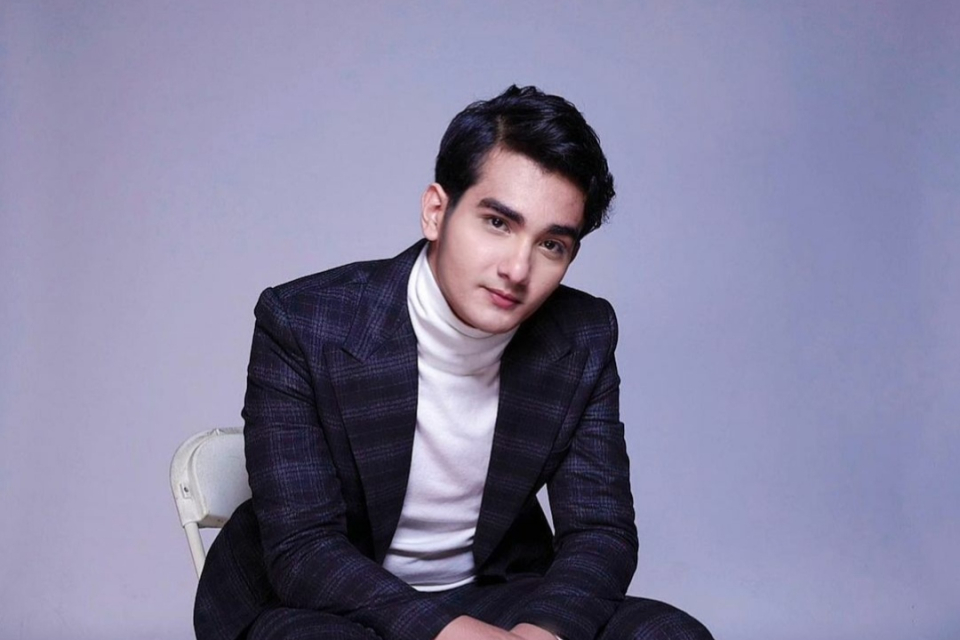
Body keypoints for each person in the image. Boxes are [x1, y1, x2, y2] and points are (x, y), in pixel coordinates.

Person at [195, 85, 713, 640]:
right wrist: (454, 634)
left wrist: (541, 633)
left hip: (493, 592)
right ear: (436, 212)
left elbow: (599, 532)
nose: (517, 269)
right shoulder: (306, 322)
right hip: (320, 603)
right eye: (498, 223)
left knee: (671, 634)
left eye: (551, 245)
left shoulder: (582, 335)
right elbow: (304, 549)